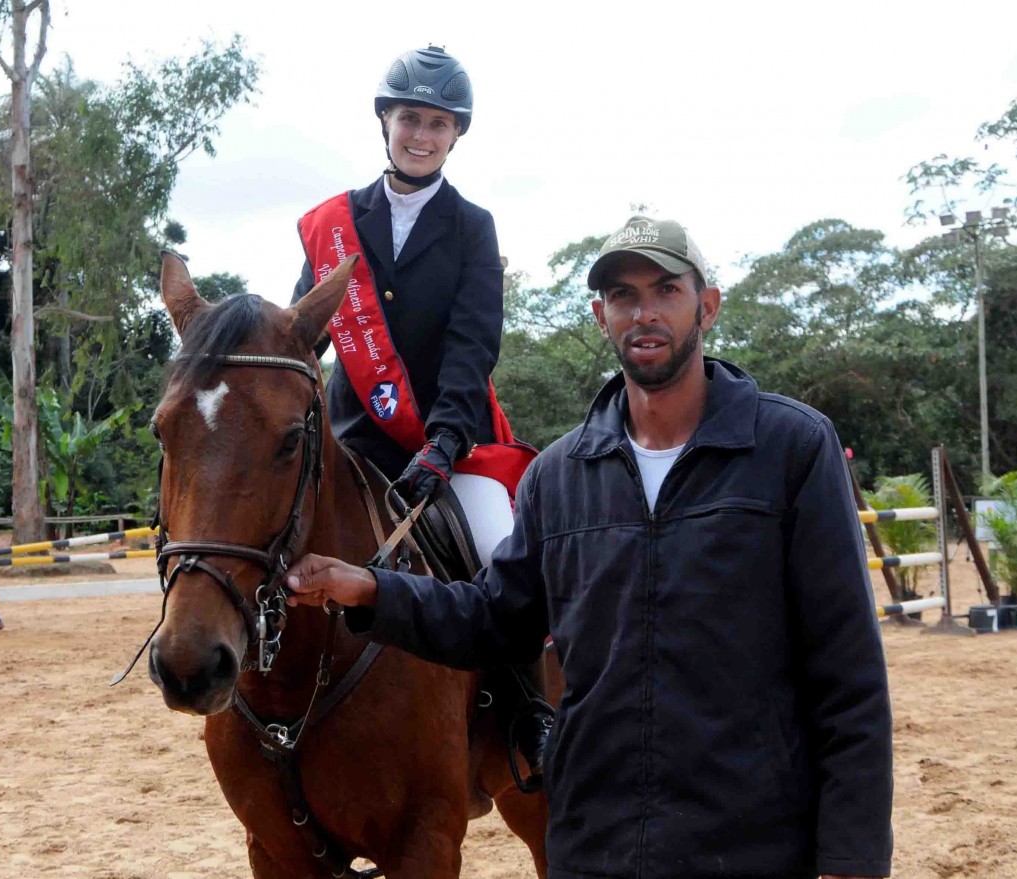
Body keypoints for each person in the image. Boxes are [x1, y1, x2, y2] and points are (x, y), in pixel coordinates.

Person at [282, 216, 895, 879]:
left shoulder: (792, 448)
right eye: (624, 296)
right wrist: (371, 589)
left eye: (666, 290)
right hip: (595, 845)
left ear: (708, 306)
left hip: (751, 845)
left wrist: (853, 857)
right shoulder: (558, 474)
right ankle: (526, 730)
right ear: (602, 316)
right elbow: (494, 618)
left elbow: (848, 667)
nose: (645, 313)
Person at [290, 45, 547, 774]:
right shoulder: (334, 225)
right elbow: (302, 334)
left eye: (438, 123)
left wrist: (443, 441)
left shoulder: (472, 227)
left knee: (501, 553)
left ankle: (530, 713)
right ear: (385, 121)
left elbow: (473, 344)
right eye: (410, 119)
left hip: (450, 447)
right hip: (350, 442)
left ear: (456, 134)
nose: (422, 135)